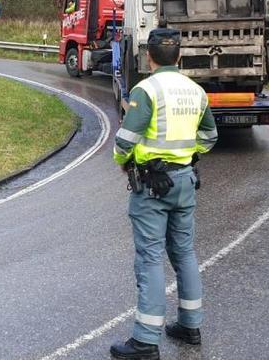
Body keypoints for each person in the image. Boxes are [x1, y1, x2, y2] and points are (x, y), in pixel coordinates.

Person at [110, 28, 219, 360]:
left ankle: (145, 341)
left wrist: (123, 162)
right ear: (180, 56)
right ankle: (190, 325)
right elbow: (210, 136)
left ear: (149, 57)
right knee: (183, 253)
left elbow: (125, 141)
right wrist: (187, 155)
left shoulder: (146, 90)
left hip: (152, 186)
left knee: (150, 258)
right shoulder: (196, 91)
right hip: (185, 180)